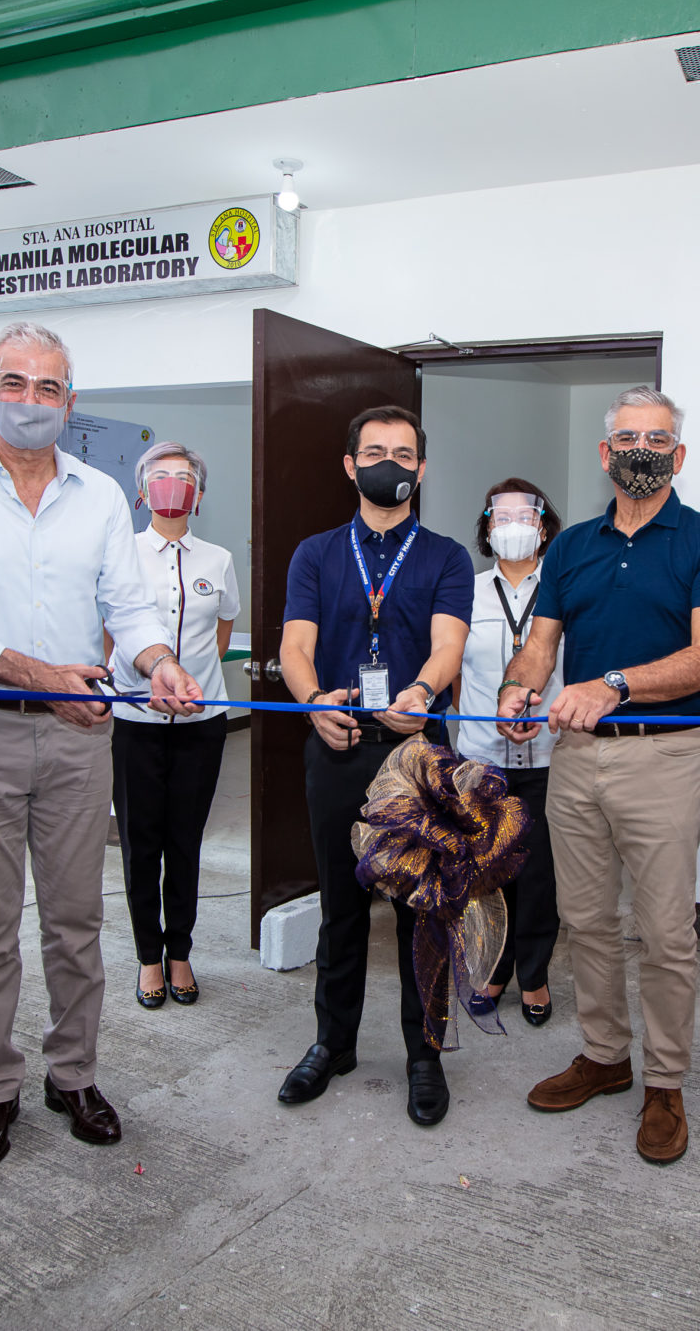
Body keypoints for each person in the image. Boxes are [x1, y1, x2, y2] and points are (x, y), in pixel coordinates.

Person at [0, 321, 205, 1176]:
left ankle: (74, 1076)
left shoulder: (102, 495)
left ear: (71, 402)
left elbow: (130, 605)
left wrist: (161, 661)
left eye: (49, 388)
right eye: (16, 384)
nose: (32, 401)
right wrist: (41, 674)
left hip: (78, 740)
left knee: (76, 923)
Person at [497, 386, 700, 1165]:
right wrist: (519, 684)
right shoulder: (570, 545)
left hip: (664, 753)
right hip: (575, 758)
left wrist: (613, 683)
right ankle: (606, 1057)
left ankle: (665, 1083)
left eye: (659, 437)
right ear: (605, 454)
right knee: (587, 921)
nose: (644, 448)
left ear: (679, 453)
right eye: (629, 436)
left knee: (666, 932)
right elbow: (543, 645)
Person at [276, 404, 472, 1127]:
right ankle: (334, 1041)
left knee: (422, 911)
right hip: (339, 742)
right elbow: (297, 645)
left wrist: (422, 689)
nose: (391, 461)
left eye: (405, 451)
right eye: (375, 451)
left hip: (418, 753)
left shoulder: (447, 555)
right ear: (351, 466)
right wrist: (311, 700)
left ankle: (424, 1053)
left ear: (421, 468)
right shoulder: (316, 553)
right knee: (341, 905)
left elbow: (448, 646)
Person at [109, 441, 238, 1011]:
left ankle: (180, 951)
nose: (171, 484)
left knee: (185, 841)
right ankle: (146, 959)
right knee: (142, 843)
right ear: (142, 491)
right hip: (135, 718)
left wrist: (196, 680)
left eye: (183, 476)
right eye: (159, 476)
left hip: (201, 721)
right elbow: (111, 633)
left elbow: (223, 628)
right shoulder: (120, 554)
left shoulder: (218, 559)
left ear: (199, 494)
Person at [457, 479, 563, 1028]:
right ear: (487, 526)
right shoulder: (466, 592)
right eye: (502, 516)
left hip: (550, 758)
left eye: (526, 514)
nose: (514, 524)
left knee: (541, 875)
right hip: (482, 757)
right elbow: (453, 672)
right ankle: (495, 968)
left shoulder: (567, 588)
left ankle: (536, 973)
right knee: (489, 872)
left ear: (544, 526)